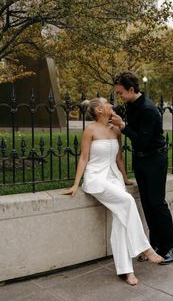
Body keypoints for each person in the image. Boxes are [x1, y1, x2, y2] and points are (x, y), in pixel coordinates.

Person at [63, 97, 164, 286]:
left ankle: (126, 270)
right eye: (107, 103)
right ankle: (145, 248)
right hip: (96, 178)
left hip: (114, 177)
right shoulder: (90, 130)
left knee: (120, 220)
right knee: (127, 202)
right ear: (100, 109)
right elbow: (84, 158)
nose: (112, 104)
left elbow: (119, 158)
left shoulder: (116, 129)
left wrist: (124, 178)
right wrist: (76, 184)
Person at [111, 71, 173, 264]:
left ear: (131, 89)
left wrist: (123, 126)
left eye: (121, 92)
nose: (120, 97)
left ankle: (171, 246)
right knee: (148, 205)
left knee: (157, 203)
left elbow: (142, 139)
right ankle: (156, 245)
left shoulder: (149, 109)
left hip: (155, 159)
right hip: (140, 160)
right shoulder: (130, 104)